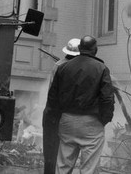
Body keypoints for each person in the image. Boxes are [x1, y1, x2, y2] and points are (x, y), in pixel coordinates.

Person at [47, 35, 115, 174]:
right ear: (95, 49)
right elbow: (107, 99)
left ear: (79, 48)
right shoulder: (102, 69)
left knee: (63, 165)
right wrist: (105, 119)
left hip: (67, 120)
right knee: (88, 168)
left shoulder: (63, 67)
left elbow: (52, 97)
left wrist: (57, 117)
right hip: (92, 123)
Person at [42, 38, 80, 174]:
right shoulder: (63, 67)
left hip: (55, 114)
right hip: (57, 114)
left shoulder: (59, 65)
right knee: (59, 153)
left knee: (53, 152)